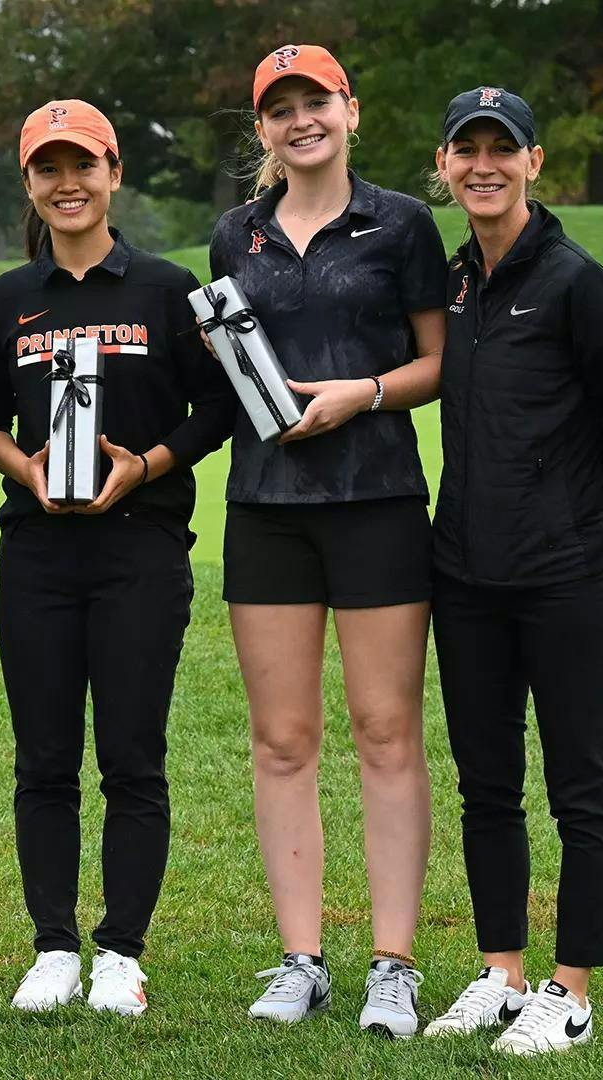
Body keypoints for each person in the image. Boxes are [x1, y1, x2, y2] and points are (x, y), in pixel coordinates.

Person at [0, 100, 234, 1016]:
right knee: (44, 760)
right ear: (29, 185)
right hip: (37, 554)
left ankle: (121, 950)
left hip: (141, 550)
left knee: (131, 758)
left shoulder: (167, 288)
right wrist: (25, 468)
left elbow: (217, 407)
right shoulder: (6, 298)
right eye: (47, 169)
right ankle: (52, 947)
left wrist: (146, 466)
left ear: (114, 174)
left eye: (83, 165)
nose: (67, 184)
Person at [208, 45, 446, 1036]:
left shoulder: (403, 223)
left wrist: (366, 393)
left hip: (378, 499)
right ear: (264, 128)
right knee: (282, 739)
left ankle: (394, 964)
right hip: (266, 507)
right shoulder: (236, 234)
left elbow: (438, 362)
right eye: (281, 108)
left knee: (386, 733)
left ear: (350, 109)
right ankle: (300, 959)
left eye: (317, 101)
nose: (301, 119)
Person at [420, 87, 603, 1056]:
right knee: (486, 786)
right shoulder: (453, 282)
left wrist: (563, 507)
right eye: (467, 150)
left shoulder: (574, 281)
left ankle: (571, 991)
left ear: (534, 161)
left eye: (502, 149)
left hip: (570, 576)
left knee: (578, 788)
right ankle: (502, 974)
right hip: (465, 577)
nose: (484, 166)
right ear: (445, 165)